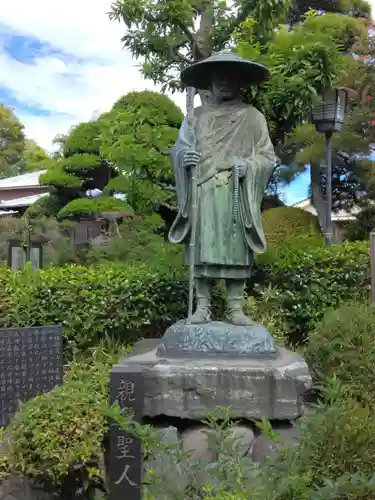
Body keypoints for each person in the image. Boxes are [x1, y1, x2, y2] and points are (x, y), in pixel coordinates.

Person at [169, 51, 276, 326]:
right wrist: (184, 158)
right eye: (219, 77)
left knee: (234, 246)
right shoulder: (195, 117)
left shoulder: (252, 117)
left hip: (234, 190)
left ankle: (235, 307)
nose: (225, 82)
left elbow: (267, 156)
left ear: (240, 82)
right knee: (203, 245)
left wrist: (249, 166)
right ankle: (202, 306)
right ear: (210, 82)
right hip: (203, 189)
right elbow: (180, 148)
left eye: (231, 77)